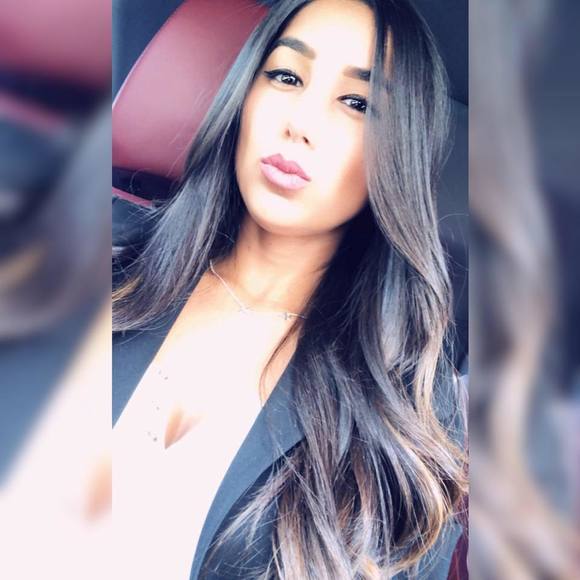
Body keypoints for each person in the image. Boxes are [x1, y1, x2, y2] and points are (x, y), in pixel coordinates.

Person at [112, 0, 468, 578]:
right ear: (245, 95)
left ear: (400, 150)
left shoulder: (411, 411)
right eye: (286, 76)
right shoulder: (106, 266)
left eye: (357, 103)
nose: (300, 123)